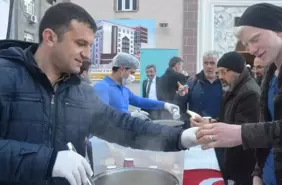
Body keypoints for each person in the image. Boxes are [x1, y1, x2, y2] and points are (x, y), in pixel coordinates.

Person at [0, 3, 198, 185]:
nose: (87, 54)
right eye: (80, 43)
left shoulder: (80, 91)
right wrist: (48, 162)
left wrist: (179, 137)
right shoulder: (6, 76)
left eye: (90, 45)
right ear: (50, 37)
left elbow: (124, 126)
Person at [194, 3, 282, 185]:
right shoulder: (270, 73)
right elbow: (267, 125)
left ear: (278, 30)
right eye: (246, 44)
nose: (252, 50)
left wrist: (242, 133)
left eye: (255, 39)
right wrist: (258, 172)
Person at [191, 51, 260, 185]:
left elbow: (241, 133)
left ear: (235, 71)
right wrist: (208, 122)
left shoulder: (249, 93)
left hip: (243, 165)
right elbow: (227, 120)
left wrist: (210, 133)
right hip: (232, 160)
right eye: (219, 73)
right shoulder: (234, 87)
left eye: (223, 72)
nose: (220, 77)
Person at [93, 52, 179, 120]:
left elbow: (139, 101)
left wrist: (165, 105)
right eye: (132, 72)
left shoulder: (124, 89)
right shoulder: (102, 88)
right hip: (106, 139)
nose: (132, 77)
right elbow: (102, 115)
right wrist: (131, 114)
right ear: (122, 69)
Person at [178, 51, 223, 126]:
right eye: (206, 63)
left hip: (218, 128)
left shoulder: (224, 83)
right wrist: (180, 95)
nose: (209, 66)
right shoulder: (192, 82)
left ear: (218, 65)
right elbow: (181, 106)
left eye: (212, 63)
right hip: (196, 128)